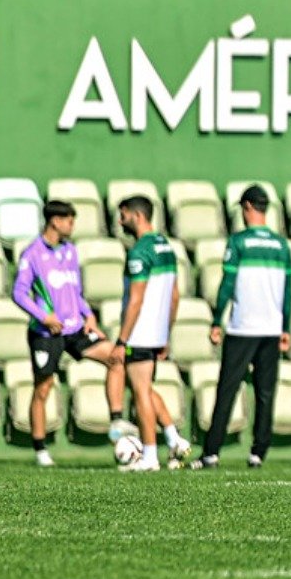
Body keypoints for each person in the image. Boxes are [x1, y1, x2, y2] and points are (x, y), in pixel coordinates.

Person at [13, 200, 122, 467]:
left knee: (116, 356)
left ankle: (118, 421)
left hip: (75, 329)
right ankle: (40, 450)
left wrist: (91, 315)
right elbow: (19, 292)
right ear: (54, 221)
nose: (72, 225)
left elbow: (76, 291)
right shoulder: (32, 254)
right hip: (46, 333)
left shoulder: (70, 251)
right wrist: (44, 317)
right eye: (69, 220)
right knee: (43, 387)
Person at [192, 185, 291, 470]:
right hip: (271, 329)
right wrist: (286, 327)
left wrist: (216, 319)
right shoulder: (282, 245)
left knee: (227, 390)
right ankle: (258, 452)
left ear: (248, 207)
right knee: (265, 393)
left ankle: (211, 453)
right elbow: (288, 291)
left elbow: (227, 284)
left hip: (242, 327)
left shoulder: (238, 242)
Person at [110, 195, 192, 472]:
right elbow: (175, 296)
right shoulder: (166, 247)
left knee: (141, 392)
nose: (120, 221)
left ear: (137, 215)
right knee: (145, 389)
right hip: (156, 333)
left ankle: (149, 457)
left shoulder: (140, 251)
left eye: (123, 215)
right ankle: (173, 439)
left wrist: (122, 340)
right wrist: (166, 333)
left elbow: (136, 299)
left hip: (139, 333)